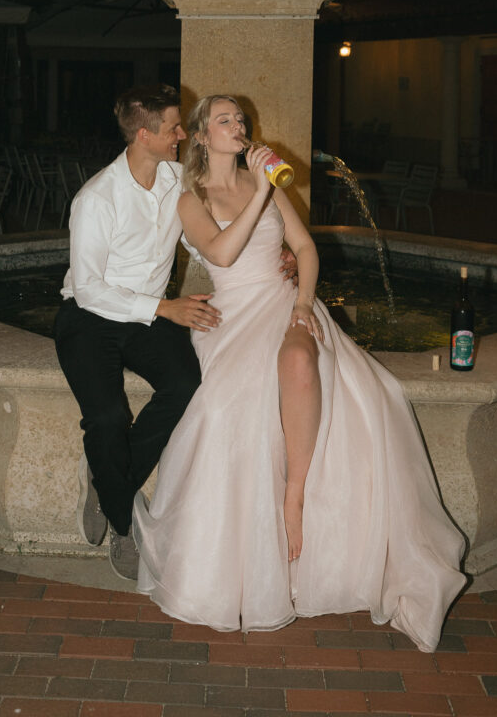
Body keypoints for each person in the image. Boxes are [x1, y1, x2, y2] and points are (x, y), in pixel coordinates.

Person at [133, 95, 466, 651]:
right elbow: (220, 254)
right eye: (225, 120)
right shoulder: (190, 198)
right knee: (223, 406)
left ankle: (295, 498)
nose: (238, 126)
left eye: (241, 119)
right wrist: (263, 186)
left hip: (287, 302)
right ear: (199, 136)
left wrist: (305, 304)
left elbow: (306, 249)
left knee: (299, 359)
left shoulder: (270, 187)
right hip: (230, 316)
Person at [54, 85, 296, 580]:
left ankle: (105, 480)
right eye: (172, 128)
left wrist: (276, 254)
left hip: (148, 317)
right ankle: (124, 525)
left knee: (187, 387)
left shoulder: (174, 182)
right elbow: (88, 288)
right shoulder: (96, 198)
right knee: (107, 417)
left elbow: (206, 240)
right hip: (90, 318)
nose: (181, 135)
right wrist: (164, 307)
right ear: (145, 135)